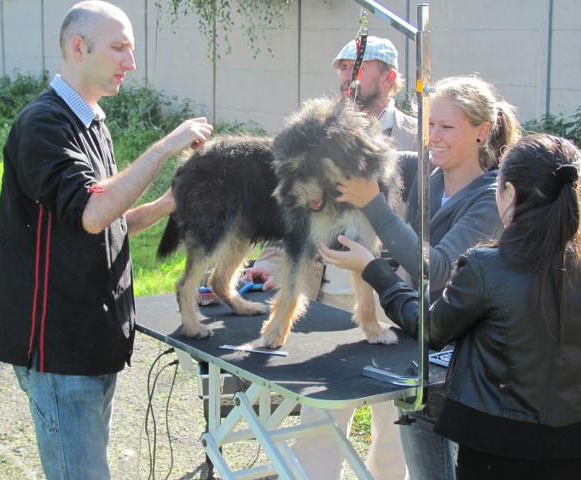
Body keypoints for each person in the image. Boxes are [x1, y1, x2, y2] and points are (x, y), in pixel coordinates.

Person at [0, 2, 213, 479]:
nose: (130, 62)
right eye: (119, 48)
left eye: (130, 49)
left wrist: (171, 201)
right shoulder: (44, 124)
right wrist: (167, 145)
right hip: (58, 354)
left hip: (90, 347)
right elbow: (93, 213)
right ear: (77, 47)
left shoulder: (92, 121)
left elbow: (112, 220)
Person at [319, 133, 581, 480]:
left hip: (493, 447)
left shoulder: (485, 268)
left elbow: (430, 328)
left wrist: (373, 270)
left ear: (509, 194)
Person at [330, 74, 522, 480]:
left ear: (481, 132)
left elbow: (436, 270)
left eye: (447, 127)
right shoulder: (424, 173)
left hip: (461, 364)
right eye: (429, 124)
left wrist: (373, 208)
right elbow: (368, 158)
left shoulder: (491, 199)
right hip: (417, 339)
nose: (433, 136)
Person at [244, 36, 417, 480]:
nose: (344, 77)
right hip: (324, 300)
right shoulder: (312, 136)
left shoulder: (419, 137)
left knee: (396, 431)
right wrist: (270, 261)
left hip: (392, 302)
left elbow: (417, 223)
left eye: (356, 68)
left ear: (390, 79)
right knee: (318, 426)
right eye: (341, 68)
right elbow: (292, 214)